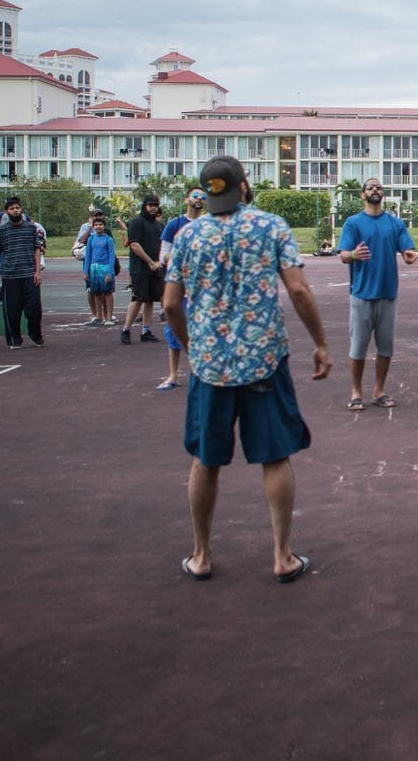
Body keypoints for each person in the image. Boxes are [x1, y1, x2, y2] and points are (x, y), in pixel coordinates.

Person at [163, 155, 331, 584]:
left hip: (210, 367)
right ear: (244, 186)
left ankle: (201, 556)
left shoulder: (188, 236)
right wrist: (320, 343)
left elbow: (168, 304)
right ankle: (282, 556)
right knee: (275, 456)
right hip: (263, 360)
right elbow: (297, 288)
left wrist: (192, 344)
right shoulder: (271, 226)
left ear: (206, 193)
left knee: (206, 459)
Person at [336, 179, 417, 410]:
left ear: (383, 194)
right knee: (358, 347)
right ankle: (356, 391)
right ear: (363, 194)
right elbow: (343, 255)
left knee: (385, 348)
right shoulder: (353, 223)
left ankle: (379, 390)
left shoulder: (395, 224)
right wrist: (353, 254)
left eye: (379, 187)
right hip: (361, 294)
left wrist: (408, 255)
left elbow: (406, 249)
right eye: (370, 187)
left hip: (388, 294)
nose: (375, 190)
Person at [155, 188, 206, 390]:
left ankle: (202, 373)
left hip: (202, 290)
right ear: (187, 199)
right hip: (180, 288)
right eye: (195, 196)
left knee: (204, 331)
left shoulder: (208, 225)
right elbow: (163, 255)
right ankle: (173, 375)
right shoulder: (175, 225)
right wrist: (181, 255)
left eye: (203, 197)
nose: (199, 199)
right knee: (174, 330)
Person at [0, 196, 45, 349]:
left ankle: (36, 335)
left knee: (34, 309)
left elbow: (37, 250)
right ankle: (14, 340)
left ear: (21, 210)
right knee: (12, 310)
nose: (15, 211)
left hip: (29, 275)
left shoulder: (31, 228)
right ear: (6, 212)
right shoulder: (1, 231)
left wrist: (37, 271)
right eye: (12, 209)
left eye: (17, 208)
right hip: (10, 276)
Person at [121, 195, 165, 344]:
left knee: (150, 300)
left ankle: (146, 330)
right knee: (138, 298)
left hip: (155, 269)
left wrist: (159, 262)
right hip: (140, 269)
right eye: (151, 205)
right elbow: (134, 245)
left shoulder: (159, 225)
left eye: (156, 205)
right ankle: (126, 330)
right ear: (145, 206)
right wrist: (150, 262)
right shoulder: (136, 222)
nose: (154, 208)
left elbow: (163, 246)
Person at [82, 212, 118, 326]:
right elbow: (88, 256)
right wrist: (85, 271)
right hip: (94, 269)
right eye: (96, 225)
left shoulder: (108, 240)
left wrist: (110, 272)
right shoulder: (91, 239)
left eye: (100, 224)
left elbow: (112, 256)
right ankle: (98, 316)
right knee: (96, 293)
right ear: (93, 227)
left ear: (104, 226)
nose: (98, 226)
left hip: (105, 268)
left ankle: (109, 317)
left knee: (107, 292)